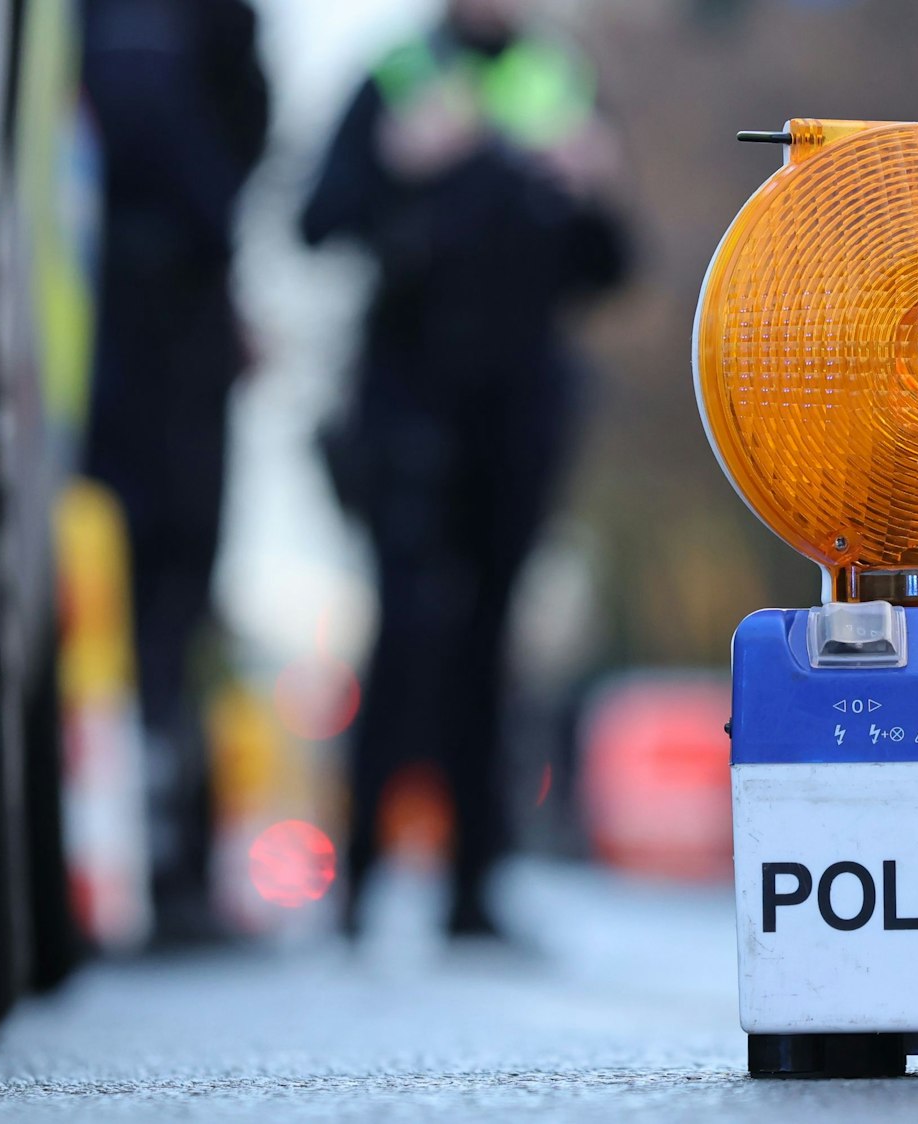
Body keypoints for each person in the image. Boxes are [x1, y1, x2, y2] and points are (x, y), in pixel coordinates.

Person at [301, 0, 628, 939]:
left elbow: (611, 265)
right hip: (408, 402)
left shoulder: (561, 83)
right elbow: (318, 221)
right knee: (407, 631)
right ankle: (359, 877)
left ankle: (473, 889)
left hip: (520, 409)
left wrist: (597, 188)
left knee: (490, 639)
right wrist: (398, 166)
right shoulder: (397, 75)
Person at [81, 0, 269, 944]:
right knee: (160, 604)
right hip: (148, 328)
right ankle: (161, 868)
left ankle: (142, 859)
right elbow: (230, 145)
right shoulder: (189, 24)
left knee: (138, 609)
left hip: (109, 316)